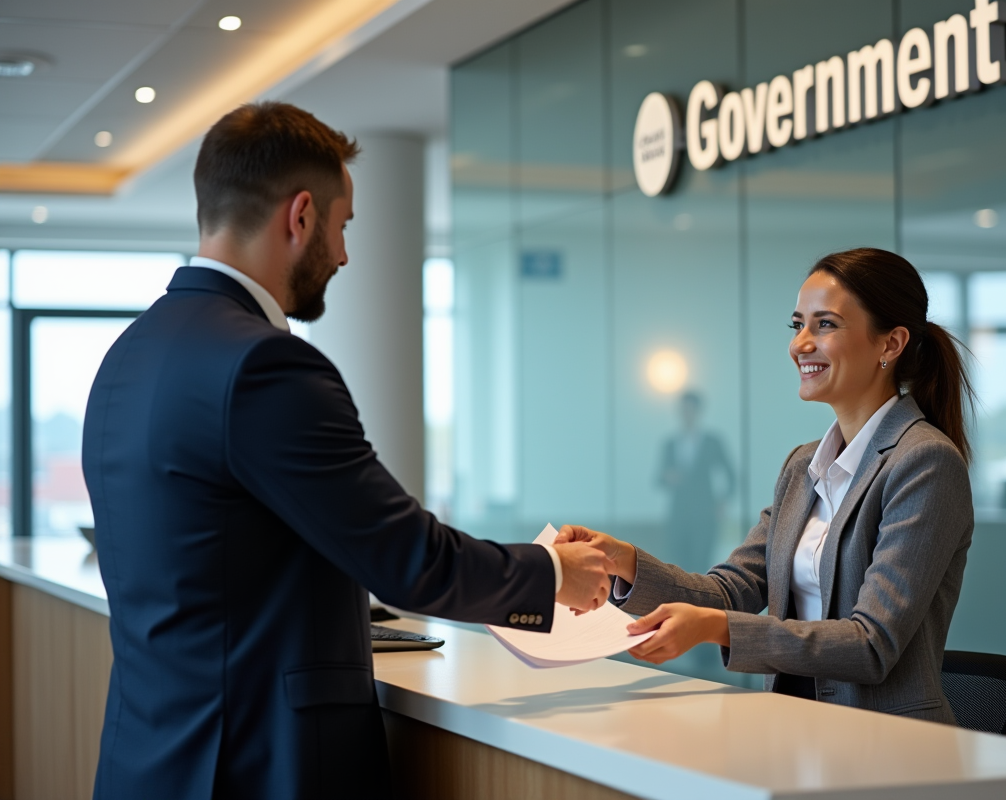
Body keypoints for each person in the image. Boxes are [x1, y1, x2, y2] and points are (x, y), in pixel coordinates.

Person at [82, 102, 611, 800]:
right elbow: (405, 559)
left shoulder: (127, 356)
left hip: (146, 760)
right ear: (301, 216)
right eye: (343, 226)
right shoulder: (266, 367)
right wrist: (552, 572)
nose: (344, 254)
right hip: (256, 764)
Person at [559, 248, 975, 724]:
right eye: (797, 325)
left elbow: (870, 645)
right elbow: (728, 591)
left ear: (890, 343)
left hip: (885, 742)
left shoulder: (925, 463)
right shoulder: (803, 467)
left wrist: (717, 629)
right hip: (795, 728)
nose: (801, 343)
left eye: (826, 325)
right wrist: (624, 560)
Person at [657, 390, 734, 574]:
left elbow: (731, 475)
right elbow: (658, 478)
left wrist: (722, 502)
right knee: (677, 565)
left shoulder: (712, 442)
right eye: (683, 410)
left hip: (705, 513)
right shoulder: (670, 443)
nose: (687, 414)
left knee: (701, 564)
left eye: (690, 410)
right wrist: (669, 477)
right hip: (679, 514)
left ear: (698, 412)